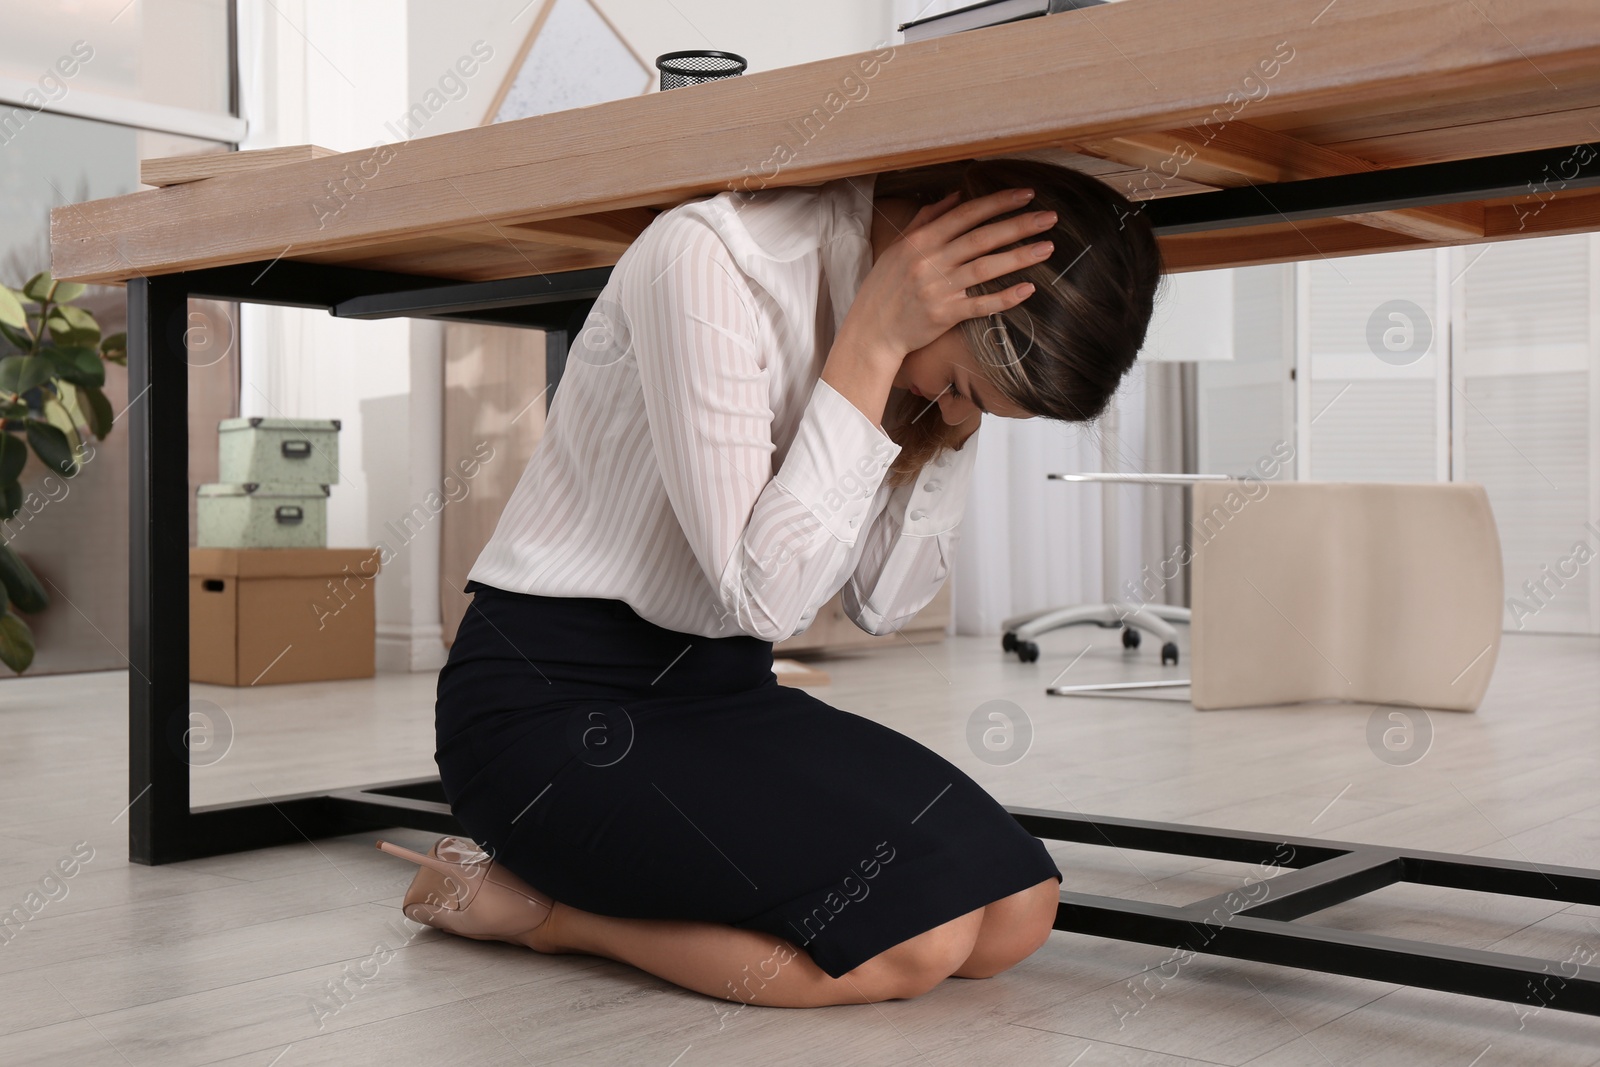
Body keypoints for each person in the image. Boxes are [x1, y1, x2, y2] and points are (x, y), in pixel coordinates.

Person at [377, 156, 1166, 1008]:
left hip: (727, 697)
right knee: (910, 943)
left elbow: (884, 601)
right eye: (969, 390)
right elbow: (763, 601)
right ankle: (544, 911)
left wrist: (939, 408)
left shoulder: (921, 369)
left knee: (1020, 909)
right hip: (550, 707)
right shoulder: (708, 260)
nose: (956, 413)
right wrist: (867, 342)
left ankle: (592, 893)